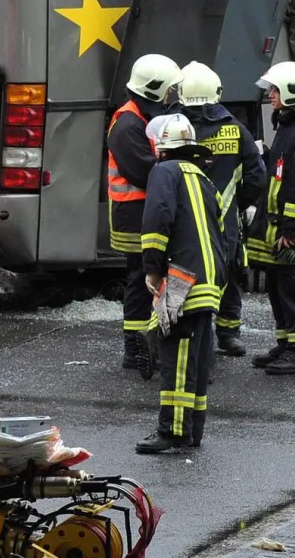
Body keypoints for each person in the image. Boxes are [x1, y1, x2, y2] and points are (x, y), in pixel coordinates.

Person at [134, 113, 225, 455]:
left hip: (183, 280)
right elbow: (225, 232)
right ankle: (192, 430)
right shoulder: (204, 178)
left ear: (161, 146)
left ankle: (171, 431)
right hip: (210, 280)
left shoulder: (164, 172)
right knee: (198, 360)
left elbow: (157, 219)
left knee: (177, 357)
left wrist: (152, 268)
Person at [177, 61, 266, 359]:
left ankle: (187, 334)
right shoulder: (236, 130)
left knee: (186, 277)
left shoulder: (176, 128)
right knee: (227, 274)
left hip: (184, 222)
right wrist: (239, 205)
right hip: (226, 221)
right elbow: (256, 176)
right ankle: (228, 335)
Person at [248, 61, 295, 377]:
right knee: (279, 289)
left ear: (293, 93)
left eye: (276, 90)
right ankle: (286, 345)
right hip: (280, 227)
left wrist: (292, 232)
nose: (270, 95)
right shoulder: (289, 126)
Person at [108, 53, 181, 380]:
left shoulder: (140, 118)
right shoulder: (127, 125)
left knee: (147, 279)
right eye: (167, 90)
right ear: (153, 90)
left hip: (142, 214)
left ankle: (146, 346)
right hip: (133, 217)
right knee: (140, 281)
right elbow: (145, 171)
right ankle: (135, 350)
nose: (171, 97)